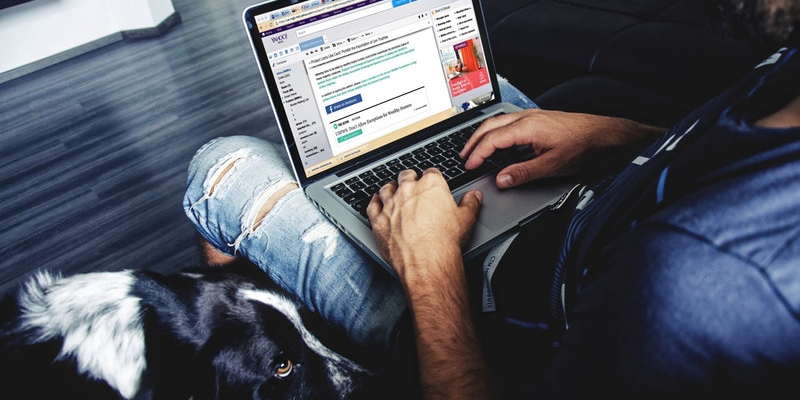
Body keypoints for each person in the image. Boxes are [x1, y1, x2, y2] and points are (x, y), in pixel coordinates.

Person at [183, 0, 800, 397]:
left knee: (221, 163)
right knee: (478, 98)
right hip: (590, 201)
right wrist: (619, 138)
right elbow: (720, 156)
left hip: (482, 308)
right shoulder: (789, 70)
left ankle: (265, 346)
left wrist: (428, 267)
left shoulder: (704, 281)